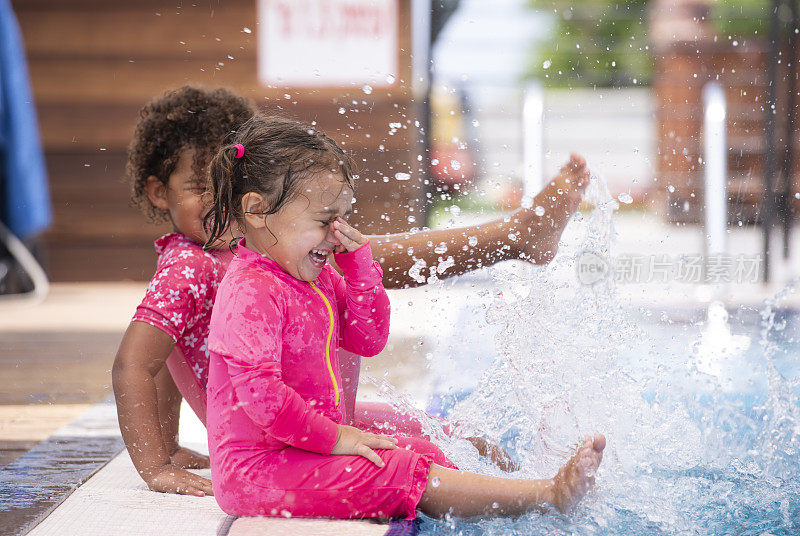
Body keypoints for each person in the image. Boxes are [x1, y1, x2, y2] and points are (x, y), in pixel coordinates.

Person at [112, 85, 590, 498]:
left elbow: (167, 360)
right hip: (282, 431)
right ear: (159, 193)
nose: (222, 202)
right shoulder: (193, 265)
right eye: (202, 187)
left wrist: (170, 440)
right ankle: (517, 237)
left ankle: (534, 485)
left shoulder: (234, 250)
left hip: (317, 411)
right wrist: (156, 463)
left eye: (230, 185)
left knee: (453, 436)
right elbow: (140, 362)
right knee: (342, 251)